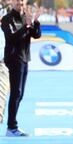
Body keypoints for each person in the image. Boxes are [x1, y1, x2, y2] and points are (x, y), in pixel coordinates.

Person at [1, 0, 41, 136]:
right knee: (16, 93)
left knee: (20, 94)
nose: (20, 3)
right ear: (12, 3)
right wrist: (26, 26)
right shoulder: (7, 19)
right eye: (17, 2)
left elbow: (36, 35)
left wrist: (35, 22)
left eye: (22, 2)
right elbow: (12, 38)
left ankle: (12, 126)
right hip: (13, 59)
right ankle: (11, 127)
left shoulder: (25, 17)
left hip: (24, 58)